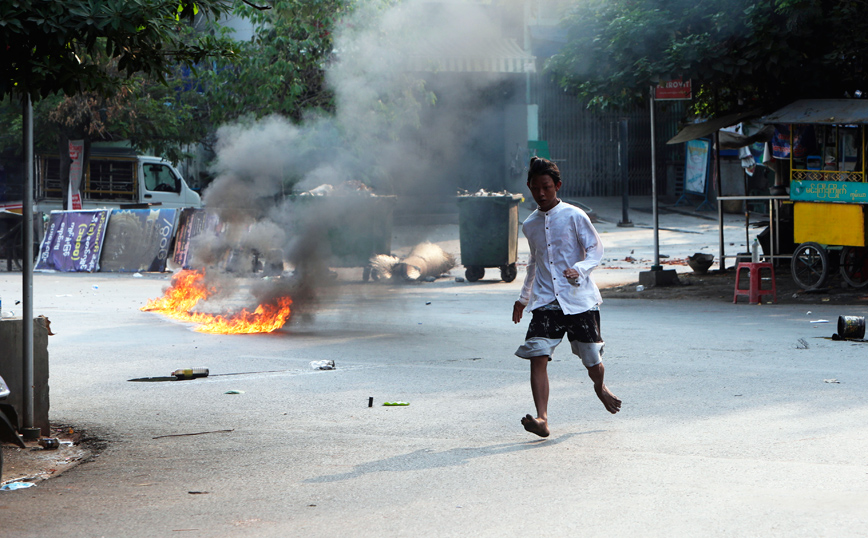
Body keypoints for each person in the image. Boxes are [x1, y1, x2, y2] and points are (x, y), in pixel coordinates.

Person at [512, 157, 621, 438]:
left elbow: (595, 250)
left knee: (592, 360)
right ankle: (542, 418)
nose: (541, 193)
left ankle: (599, 386)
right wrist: (523, 299)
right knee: (538, 354)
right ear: (528, 187)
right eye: (535, 188)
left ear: (557, 186)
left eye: (547, 187)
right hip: (546, 300)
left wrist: (581, 269)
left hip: (579, 299)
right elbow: (534, 264)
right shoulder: (530, 224)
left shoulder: (574, 215)